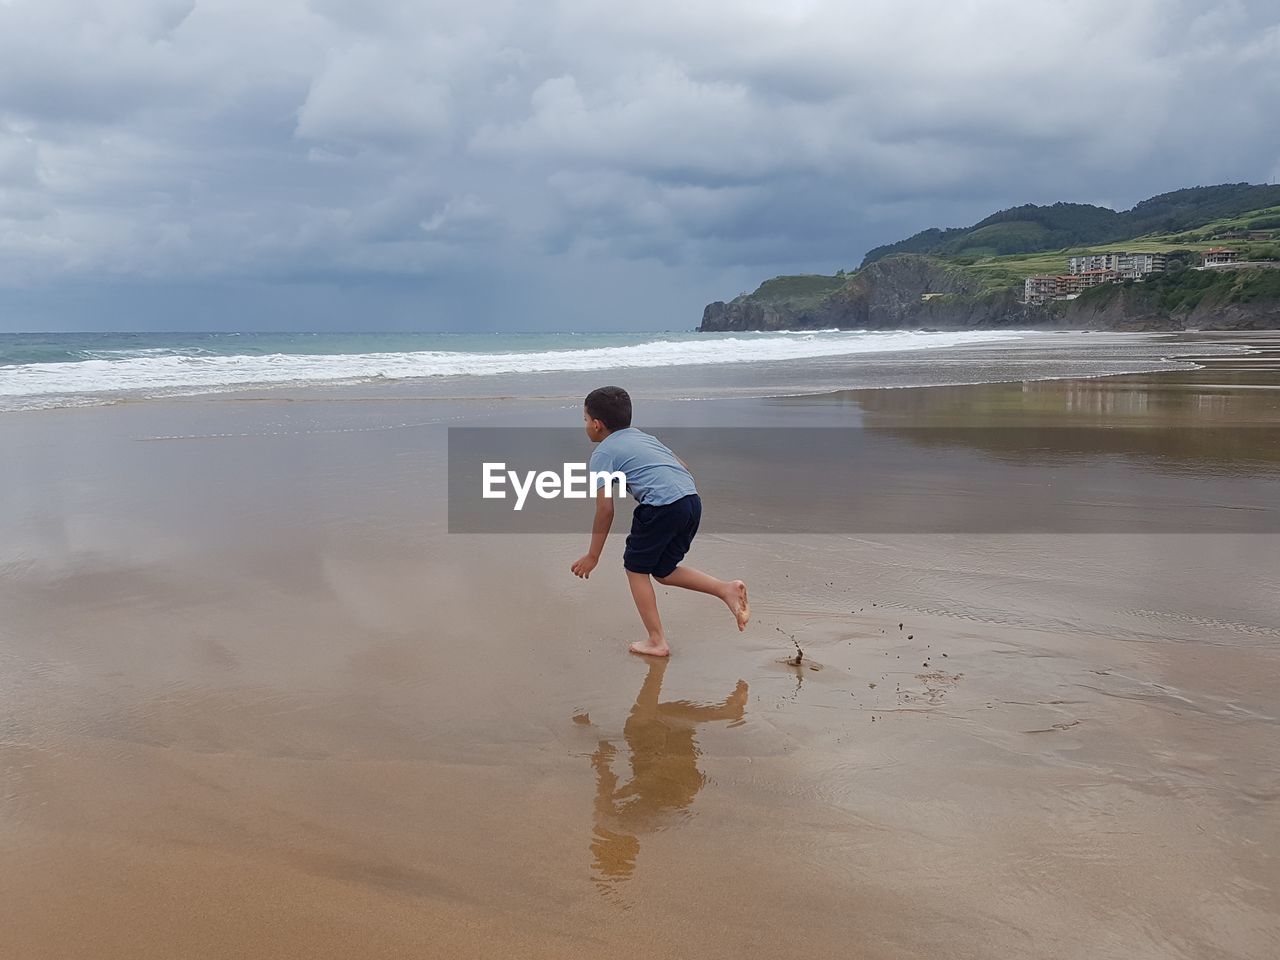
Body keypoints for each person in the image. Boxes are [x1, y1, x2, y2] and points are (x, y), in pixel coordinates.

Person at [570, 386, 749, 656]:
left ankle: (656, 640)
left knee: (635, 568)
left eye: (584, 420)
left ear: (597, 424)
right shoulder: (644, 437)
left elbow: (605, 509)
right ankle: (726, 589)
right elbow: (683, 466)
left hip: (662, 506)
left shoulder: (603, 454)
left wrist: (593, 555)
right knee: (663, 570)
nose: (585, 425)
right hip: (690, 500)